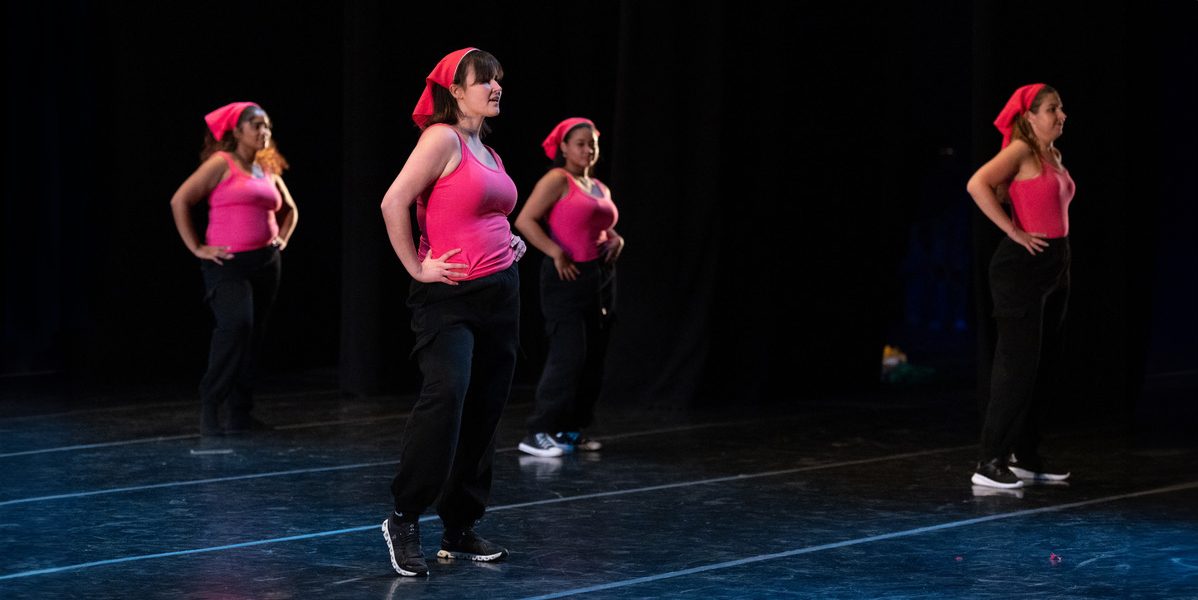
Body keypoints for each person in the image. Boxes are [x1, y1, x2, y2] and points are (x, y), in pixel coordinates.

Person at [378, 47, 526, 577]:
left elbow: (487, 213)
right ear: (455, 92)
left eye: (498, 79)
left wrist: (513, 243)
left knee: (486, 407)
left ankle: (460, 526)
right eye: (483, 80)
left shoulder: (487, 148)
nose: (495, 87)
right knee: (448, 394)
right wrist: (417, 269)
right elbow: (393, 202)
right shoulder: (441, 138)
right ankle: (404, 515)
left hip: (500, 293)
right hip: (450, 297)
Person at [966, 83, 1074, 489]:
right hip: (1022, 268)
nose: (1060, 115)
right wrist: (1013, 231)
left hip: (1056, 264)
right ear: (1030, 117)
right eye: (1051, 109)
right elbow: (977, 183)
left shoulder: (1053, 155)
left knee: (1045, 365)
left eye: (1061, 108)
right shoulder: (1021, 151)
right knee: (1016, 366)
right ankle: (989, 460)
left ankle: (1024, 454)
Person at [169, 102, 297, 437]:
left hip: (267, 262)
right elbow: (179, 200)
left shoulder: (267, 169)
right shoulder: (221, 164)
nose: (263, 131)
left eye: (267, 125)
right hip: (228, 265)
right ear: (237, 132)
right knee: (237, 326)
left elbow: (291, 209)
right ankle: (211, 405)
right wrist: (196, 247)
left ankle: (241, 413)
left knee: (255, 336)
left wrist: (281, 238)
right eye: (255, 125)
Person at [514, 118, 623, 457]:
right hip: (567, 277)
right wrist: (555, 251)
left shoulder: (599, 187)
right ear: (563, 147)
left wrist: (618, 239)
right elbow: (524, 220)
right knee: (568, 355)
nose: (588, 150)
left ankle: (570, 429)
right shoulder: (557, 180)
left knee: (593, 357)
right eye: (580, 143)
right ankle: (539, 431)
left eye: (592, 144)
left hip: (601, 277)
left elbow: (603, 228)